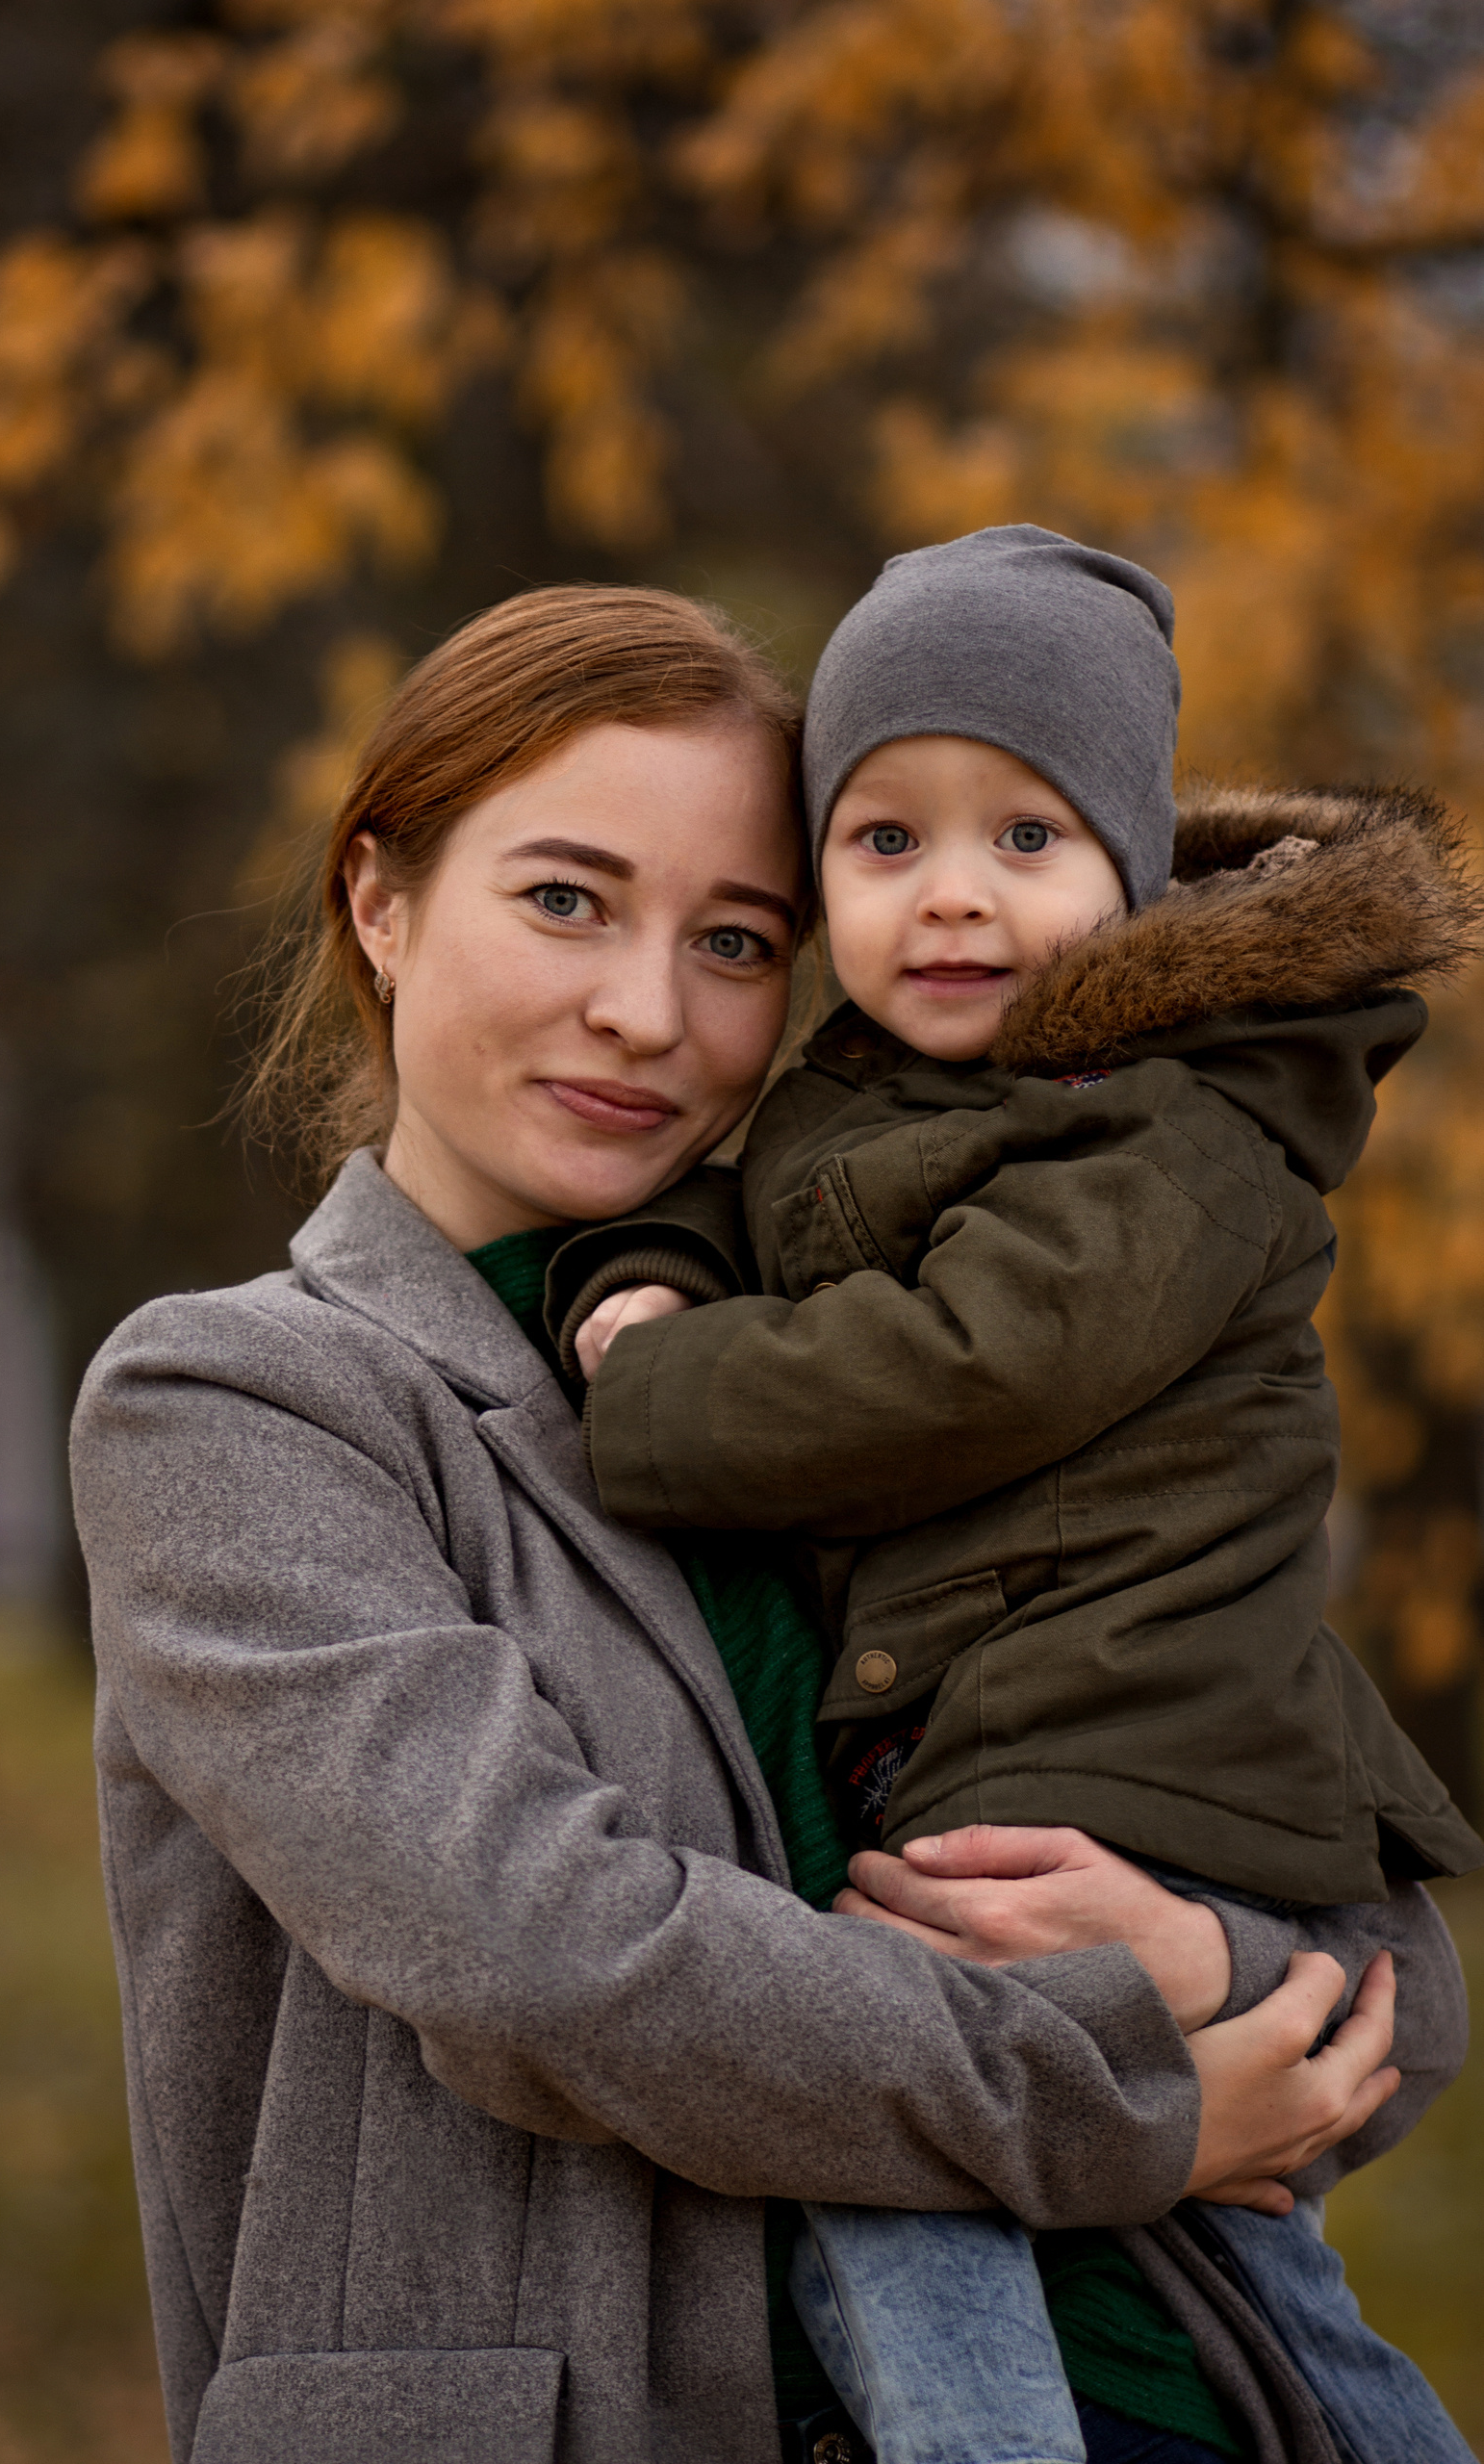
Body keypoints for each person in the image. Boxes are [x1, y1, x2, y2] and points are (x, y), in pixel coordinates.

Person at [72, 583, 1425, 2464]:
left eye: (731, 938)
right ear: (377, 899)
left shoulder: (899, 1366)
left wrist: (1205, 1955)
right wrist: (1127, 2087)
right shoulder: (239, 1402)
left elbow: (1375, 1973)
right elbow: (545, 1954)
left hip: (1148, 2387)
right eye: (564, 898)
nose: (644, 1009)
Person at [564, 533, 1480, 2464]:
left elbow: (968, 1367)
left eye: (1025, 838)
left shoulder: (1167, 1123)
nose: (951, 895)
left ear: (1134, 872)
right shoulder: (864, 1097)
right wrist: (623, 1270)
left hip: (1156, 1773)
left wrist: (657, 1384)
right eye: (883, 841)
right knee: (1207, 2272)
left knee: (932, 2217)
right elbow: (730, 1210)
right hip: (1037, 1770)